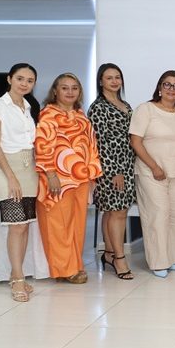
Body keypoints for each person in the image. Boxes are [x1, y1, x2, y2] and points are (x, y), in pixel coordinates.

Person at [35, 73, 102, 284]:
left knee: (77, 225)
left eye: (74, 88)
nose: (70, 92)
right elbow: (42, 146)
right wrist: (50, 174)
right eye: (65, 88)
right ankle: (64, 269)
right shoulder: (48, 114)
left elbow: (91, 146)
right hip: (58, 180)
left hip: (81, 179)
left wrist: (92, 176)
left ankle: (75, 264)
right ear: (55, 91)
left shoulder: (81, 115)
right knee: (58, 226)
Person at [130, 71, 175, 278]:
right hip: (151, 172)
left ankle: (174, 257)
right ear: (159, 87)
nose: (171, 89)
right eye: (167, 84)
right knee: (158, 215)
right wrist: (154, 167)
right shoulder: (146, 109)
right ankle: (159, 262)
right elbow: (135, 141)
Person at [0, 63, 40, 302]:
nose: (24, 83)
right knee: (17, 225)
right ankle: (17, 278)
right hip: (4, 167)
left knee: (24, 225)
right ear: (9, 79)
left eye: (30, 80)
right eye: (20, 78)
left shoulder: (28, 107)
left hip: (28, 168)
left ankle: (17, 273)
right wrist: (11, 176)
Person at [88, 63, 136, 280]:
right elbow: (100, 142)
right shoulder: (98, 107)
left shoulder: (124, 104)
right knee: (118, 213)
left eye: (118, 77)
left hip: (127, 165)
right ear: (101, 81)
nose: (115, 81)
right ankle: (119, 258)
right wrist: (114, 171)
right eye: (109, 78)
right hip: (111, 168)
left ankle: (108, 253)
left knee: (111, 211)